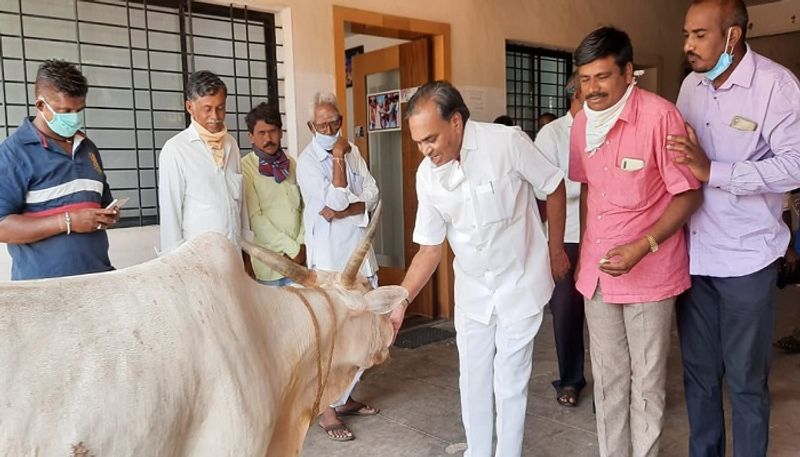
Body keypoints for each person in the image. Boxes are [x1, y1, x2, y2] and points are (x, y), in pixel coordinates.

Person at [393, 80, 569, 457]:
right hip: (473, 291)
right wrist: (402, 299)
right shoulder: (427, 175)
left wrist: (555, 248)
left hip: (520, 283)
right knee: (472, 379)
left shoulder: (506, 143)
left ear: (456, 121)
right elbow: (429, 248)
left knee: (510, 382)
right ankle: (478, 451)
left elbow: (553, 185)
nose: (425, 151)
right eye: (418, 142)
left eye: (430, 139)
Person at [669, 1, 800, 455]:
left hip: (748, 259)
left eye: (699, 35)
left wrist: (716, 171)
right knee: (699, 377)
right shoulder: (690, 87)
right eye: (687, 33)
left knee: (746, 382)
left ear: (733, 36)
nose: (688, 45)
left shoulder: (776, 87)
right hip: (696, 257)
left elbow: (795, 165)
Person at [569, 27, 702, 457]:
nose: (592, 89)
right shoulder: (581, 123)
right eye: (584, 79)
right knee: (608, 380)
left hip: (650, 274)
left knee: (646, 381)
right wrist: (586, 254)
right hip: (599, 275)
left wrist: (642, 246)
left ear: (629, 72)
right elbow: (588, 188)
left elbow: (688, 194)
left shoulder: (661, 117)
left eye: (602, 77)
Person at [296, 92, 381, 442]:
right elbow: (332, 198)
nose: (329, 128)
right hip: (331, 261)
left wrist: (348, 209)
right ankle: (326, 409)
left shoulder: (354, 150)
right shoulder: (306, 161)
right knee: (333, 335)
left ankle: (343, 398)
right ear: (310, 126)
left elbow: (373, 193)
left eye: (335, 122)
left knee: (367, 330)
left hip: (361, 254)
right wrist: (337, 161)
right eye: (322, 124)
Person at [0, 59, 120, 280]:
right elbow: (2, 227)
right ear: (41, 106)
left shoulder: (87, 147)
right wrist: (68, 222)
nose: (73, 118)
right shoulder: (13, 154)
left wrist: (107, 215)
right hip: (45, 292)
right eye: (65, 111)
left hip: (99, 281)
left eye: (79, 110)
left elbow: (101, 202)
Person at [158, 70, 252, 258]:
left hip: (233, 257)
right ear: (190, 107)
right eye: (207, 109)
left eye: (220, 108)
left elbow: (241, 208)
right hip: (198, 263)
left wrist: (247, 254)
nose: (215, 116)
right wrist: (177, 266)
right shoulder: (176, 149)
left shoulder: (231, 144)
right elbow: (171, 216)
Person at [534, 72, 586, 407]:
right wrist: (586, 186)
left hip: (605, 234)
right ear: (575, 94)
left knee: (605, 312)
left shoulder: (609, 128)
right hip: (566, 234)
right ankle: (570, 378)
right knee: (566, 310)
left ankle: (615, 382)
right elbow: (544, 187)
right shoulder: (552, 134)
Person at [242, 102, 304, 286]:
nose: (268, 138)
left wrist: (302, 246)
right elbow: (255, 219)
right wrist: (291, 249)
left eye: (273, 131)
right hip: (268, 266)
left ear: (281, 133)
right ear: (251, 137)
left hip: (299, 263)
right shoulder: (245, 169)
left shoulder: (292, 164)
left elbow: (305, 207)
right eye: (261, 133)